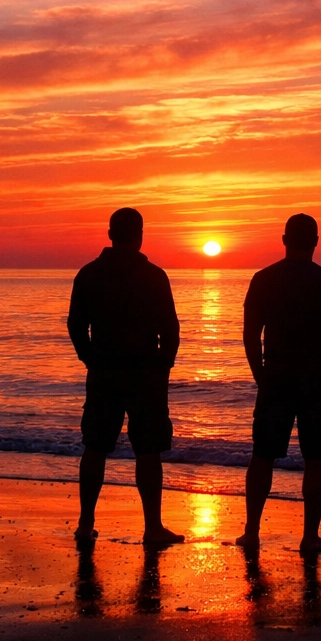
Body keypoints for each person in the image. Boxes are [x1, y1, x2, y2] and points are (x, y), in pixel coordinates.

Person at [234, 213, 321, 552]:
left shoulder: (263, 279)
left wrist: (260, 374)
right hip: (318, 377)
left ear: (285, 240)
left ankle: (252, 531)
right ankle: (310, 535)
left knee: (263, 454)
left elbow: (250, 334)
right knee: (317, 458)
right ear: (315, 242)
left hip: (277, 375)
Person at [66, 207, 184, 548]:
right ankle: (152, 527)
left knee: (96, 446)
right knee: (148, 450)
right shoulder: (153, 276)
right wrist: (164, 366)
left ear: (110, 234)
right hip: (145, 374)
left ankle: (86, 524)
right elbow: (171, 330)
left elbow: (76, 325)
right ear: (141, 235)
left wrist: (90, 358)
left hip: (105, 372)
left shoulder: (89, 274)